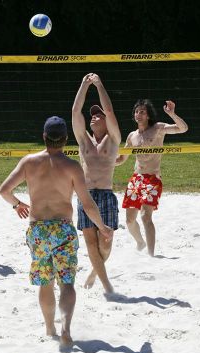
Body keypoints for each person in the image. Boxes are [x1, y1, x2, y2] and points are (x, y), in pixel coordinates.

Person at [0, 116, 113, 350]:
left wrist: (17, 204)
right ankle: (66, 330)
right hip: (62, 229)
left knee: (45, 282)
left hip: (38, 229)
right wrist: (102, 227)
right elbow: (88, 203)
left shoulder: (29, 162)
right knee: (67, 283)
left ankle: (50, 327)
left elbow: (4, 190)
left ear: (44, 136)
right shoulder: (72, 166)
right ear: (66, 139)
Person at [116, 99, 188, 256]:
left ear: (148, 115)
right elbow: (121, 160)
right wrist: (107, 162)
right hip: (137, 178)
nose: (139, 114)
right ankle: (140, 242)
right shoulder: (132, 136)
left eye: (142, 112)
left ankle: (151, 255)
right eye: (137, 111)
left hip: (153, 178)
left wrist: (171, 114)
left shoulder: (158, 128)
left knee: (145, 216)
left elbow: (183, 128)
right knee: (129, 220)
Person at [71, 73, 121, 295]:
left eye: (97, 115)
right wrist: (84, 84)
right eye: (92, 115)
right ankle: (106, 283)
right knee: (91, 242)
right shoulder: (83, 140)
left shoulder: (113, 139)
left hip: (107, 194)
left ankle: (94, 271)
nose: (93, 117)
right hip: (87, 194)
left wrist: (99, 85)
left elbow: (109, 111)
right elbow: (75, 112)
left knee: (106, 242)